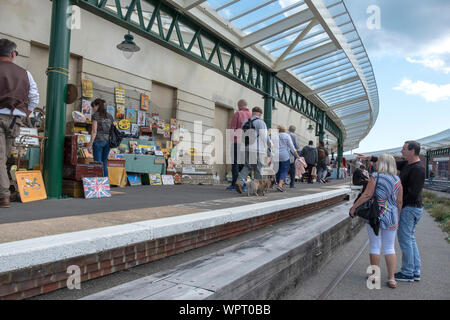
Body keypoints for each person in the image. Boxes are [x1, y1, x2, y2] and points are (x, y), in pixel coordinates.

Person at [357, 140, 426, 283]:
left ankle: (407, 272)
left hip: (409, 208)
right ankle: (408, 272)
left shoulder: (418, 169)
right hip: (398, 211)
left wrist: (395, 207)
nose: (401, 151)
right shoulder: (406, 167)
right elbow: (390, 162)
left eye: (404, 148)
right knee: (405, 240)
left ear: (412, 151)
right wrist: (369, 157)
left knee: (404, 240)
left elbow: (412, 194)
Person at [349, 154, 403, 289]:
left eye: (378, 161)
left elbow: (367, 195)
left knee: (375, 245)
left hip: (376, 215)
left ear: (383, 163)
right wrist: (398, 216)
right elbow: (399, 201)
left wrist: (354, 207)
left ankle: (374, 276)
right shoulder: (397, 179)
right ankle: (391, 279)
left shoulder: (376, 177)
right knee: (390, 247)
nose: (376, 163)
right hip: (391, 216)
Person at [0, 39, 39, 208]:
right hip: (15, 120)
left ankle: (4, 196)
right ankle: (3, 192)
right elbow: (34, 98)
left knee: (1, 158)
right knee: (4, 157)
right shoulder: (25, 73)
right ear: (12, 54)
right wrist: (23, 116)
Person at [235, 107, 271, 194]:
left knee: (247, 166)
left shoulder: (245, 122)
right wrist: (270, 145)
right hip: (257, 149)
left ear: (253, 113)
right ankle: (258, 189)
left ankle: (239, 182)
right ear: (260, 114)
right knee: (258, 168)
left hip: (246, 148)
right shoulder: (261, 122)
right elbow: (265, 136)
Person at [227, 99, 251, 190]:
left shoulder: (238, 113)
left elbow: (233, 128)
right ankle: (243, 185)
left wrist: (231, 141)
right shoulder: (251, 115)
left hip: (237, 142)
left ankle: (234, 184)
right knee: (244, 165)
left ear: (239, 105)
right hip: (247, 144)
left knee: (235, 163)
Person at [88, 98, 114, 177]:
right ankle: (105, 184)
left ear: (97, 106)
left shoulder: (95, 115)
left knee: (97, 163)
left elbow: (94, 131)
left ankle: (98, 185)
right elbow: (111, 130)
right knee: (104, 163)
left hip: (98, 141)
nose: (93, 109)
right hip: (108, 142)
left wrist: (90, 144)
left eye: (94, 107)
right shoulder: (110, 116)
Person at [275, 125, 300, 192]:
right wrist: (297, 156)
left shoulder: (275, 136)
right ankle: (280, 185)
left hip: (276, 155)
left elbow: (271, 146)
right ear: (284, 130)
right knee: (284, 170)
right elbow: (292, 147)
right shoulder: (286, 136)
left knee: (277, 170)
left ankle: (278, 183)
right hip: (285, 156)